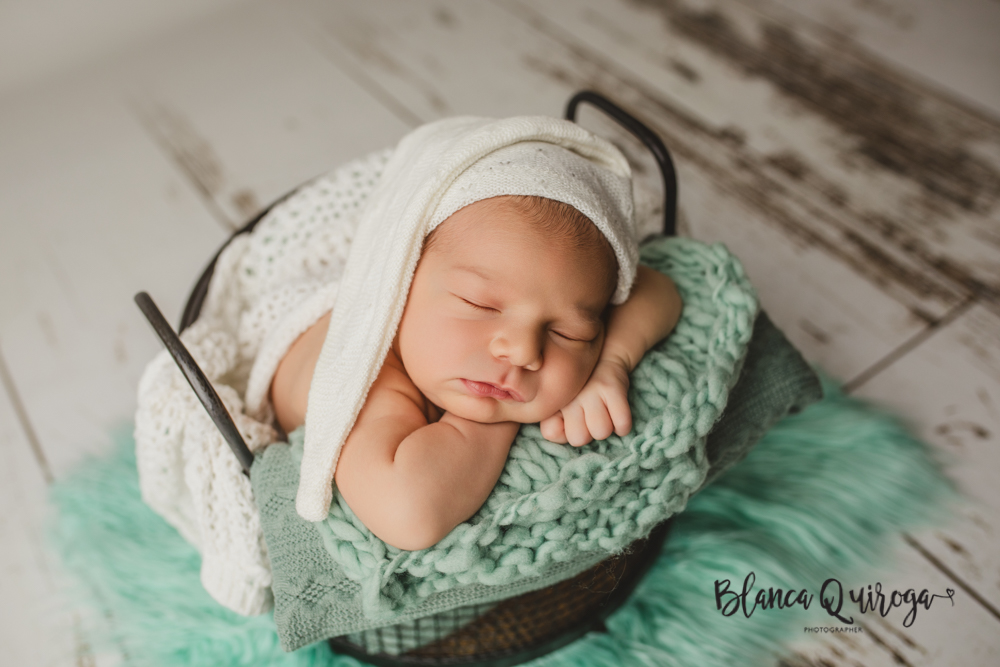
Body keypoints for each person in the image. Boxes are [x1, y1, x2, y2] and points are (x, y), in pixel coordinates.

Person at [270, 174, 682, 550]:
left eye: (568, 333)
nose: (523, 351)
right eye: (479, 304)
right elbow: (408, 514)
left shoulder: (475, 309)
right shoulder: (368, 370)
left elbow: (659, 287)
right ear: (401, 281)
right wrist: (494, 417)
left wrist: (611, 363)